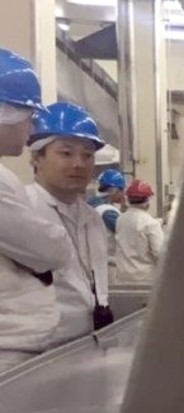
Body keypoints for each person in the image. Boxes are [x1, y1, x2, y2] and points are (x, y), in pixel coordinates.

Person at [0, 49, 71, 369]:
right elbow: (49, 250)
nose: (30, 130)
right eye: (28, 118)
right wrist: (55, 241)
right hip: (9, 351)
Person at [26, 102, 114, 346]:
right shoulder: (22, 210)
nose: (79, 164)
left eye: (87, 155)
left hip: (88, 343)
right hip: (38, 351)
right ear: (36, 157)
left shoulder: (93, 218)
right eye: (66, 153)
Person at [114, 179, 166, 283]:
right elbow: (160, 254)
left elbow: (136, 226)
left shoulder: (120, 219)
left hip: (122, 278)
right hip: (145, 280)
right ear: (147, 199)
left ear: (128, 199)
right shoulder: (151, 224)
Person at [88, 168, 125, 234]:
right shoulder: (109, 212)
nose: (123, 194)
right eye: (121, 190)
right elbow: (125, 233)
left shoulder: (89, 204)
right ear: (114, 190)